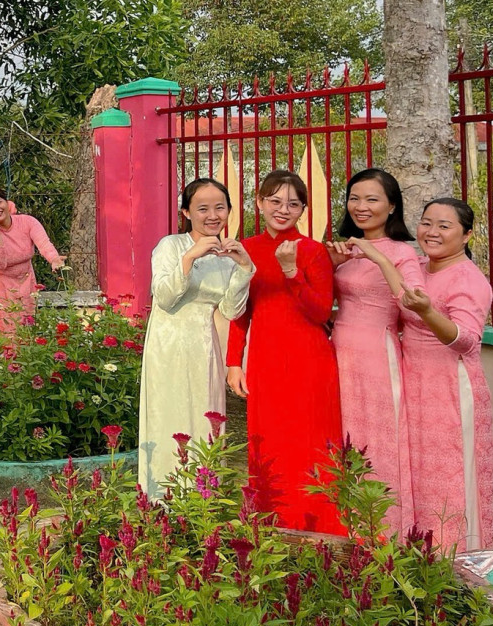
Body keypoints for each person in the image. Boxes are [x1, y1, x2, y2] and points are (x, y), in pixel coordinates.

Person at [357, 199, 493, 550]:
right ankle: (421, 552)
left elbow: (466, 341)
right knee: (417, 475)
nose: (432, 232)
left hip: (450, 387)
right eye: (426, 223)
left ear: (467, 235)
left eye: (444, 226)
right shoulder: (417, 267)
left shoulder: (468, 278)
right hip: (412, 383)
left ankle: (458, 556)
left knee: (451, 477)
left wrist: (429, 312)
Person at [227, 170, 344, 535]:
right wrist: (233, 362)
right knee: (269, 441)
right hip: (265, 358)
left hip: (310, 360)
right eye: (275, 201)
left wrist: (292, 272)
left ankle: (320, 526)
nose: (283, 209)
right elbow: (239, 311)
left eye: (293, 204)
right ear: (259, 202)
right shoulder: (246, 249)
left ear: (303, 209)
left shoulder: (313, 251)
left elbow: (320, 312)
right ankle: (271, 523)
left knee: (311, 442)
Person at [137, 178, 254, 499]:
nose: (212, 215)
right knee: (168, 416)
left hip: (206, 347)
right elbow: (164, 297)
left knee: (206, 418)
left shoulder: (228, 255)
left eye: (220, 207)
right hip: (168, 346)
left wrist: (244, 268)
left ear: (229, 210)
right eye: (203, 208)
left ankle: (203, 498)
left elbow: (231, 310)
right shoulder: (170, 246)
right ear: (186, 212)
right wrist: (189, 258)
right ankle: (162, 500)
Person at [325, 168, 421, 534]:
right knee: (339, 435)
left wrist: (378, 258)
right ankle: (341, 527)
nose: (361, 206)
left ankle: (384, 531)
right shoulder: (344, 249)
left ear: (392, 206)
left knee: (377, 439)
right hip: (337, 351)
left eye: (372, 199)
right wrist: (332, 265)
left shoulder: (403, 253)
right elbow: (320, 304)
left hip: (377, 356)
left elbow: (414, 306)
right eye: (354, 198)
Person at [0, 186, 65, 333]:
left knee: (27, 329)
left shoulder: (27, 221)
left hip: (26, 281)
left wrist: (54, 259)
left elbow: (44, 244)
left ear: (7, 203)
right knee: (4, 332)